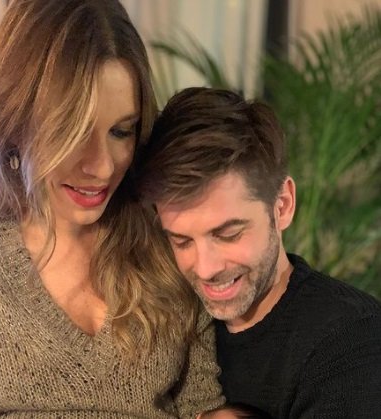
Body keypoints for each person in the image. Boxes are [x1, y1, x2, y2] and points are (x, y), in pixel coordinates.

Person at [0, 3, 225, 417]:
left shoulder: (170, 245)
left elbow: (205, 409)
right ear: (14, 121)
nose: (102, 167)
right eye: (75, 131)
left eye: (121, 131)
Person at [136, 87, 381, 418]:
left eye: (228, 234)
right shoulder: (167, 324)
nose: (206, 268)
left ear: (282, 206)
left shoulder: (350, 341)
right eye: (182, 241)